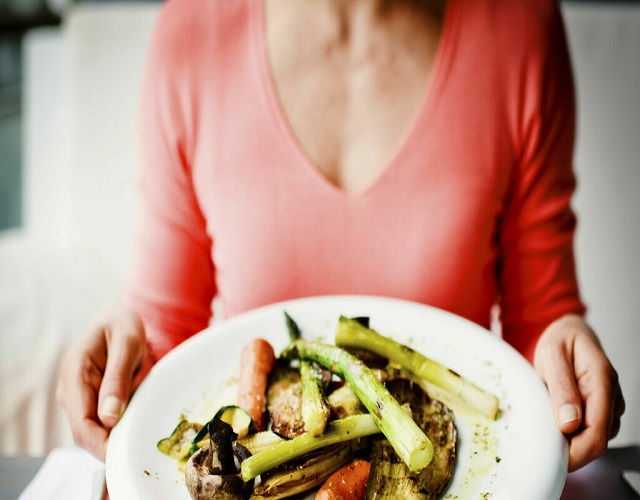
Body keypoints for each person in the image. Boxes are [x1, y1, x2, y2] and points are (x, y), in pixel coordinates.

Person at [57, 0, 625, 473]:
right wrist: (124, 361)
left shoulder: (522, 26)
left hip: (464, 473)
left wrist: (563, 346)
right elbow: (166, 341)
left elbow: (539, 327)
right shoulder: (190, 33)